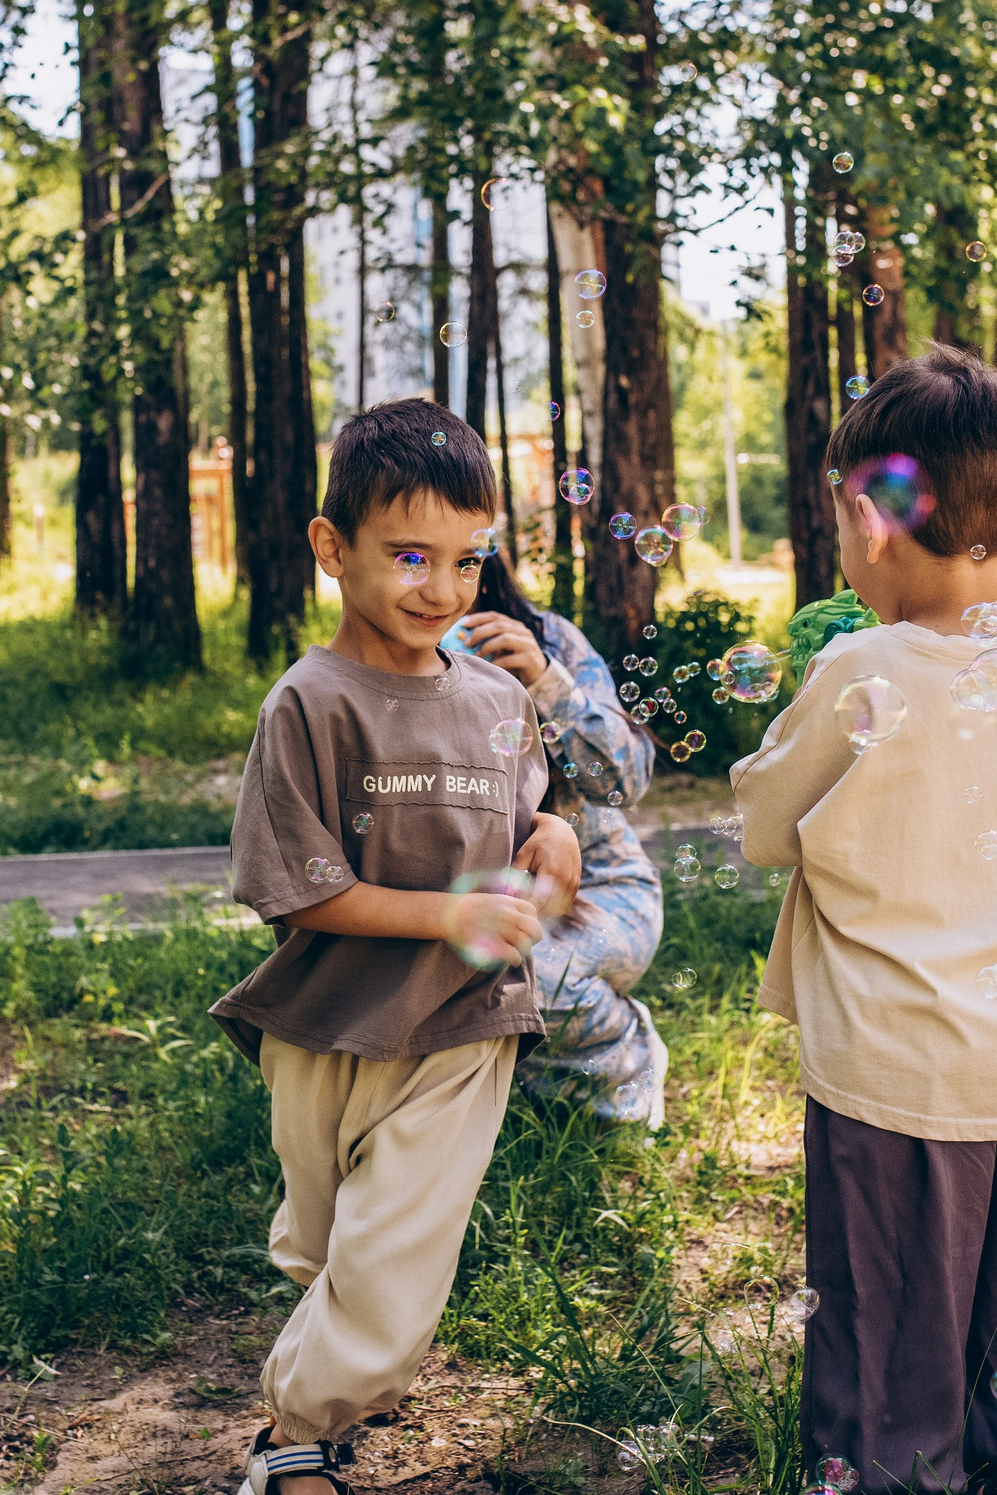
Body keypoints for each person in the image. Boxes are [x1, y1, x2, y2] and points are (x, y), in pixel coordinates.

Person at [731, 348, 997, 1495]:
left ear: (873, 517)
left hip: (888, 1073)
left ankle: (895, 1470)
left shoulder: (858, 664)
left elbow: (763, 826)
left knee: (886, 1310)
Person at [211, 399, 585, 1495]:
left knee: (392, 1261)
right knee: (328, 1246)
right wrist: (442, 912)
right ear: (332, 549)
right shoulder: (309, 705)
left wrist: (551, 847)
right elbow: (299, 891)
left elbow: (530, 827)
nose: (440, 589)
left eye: (467, 561)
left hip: (462, 1023)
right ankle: (339, 1320)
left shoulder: (496, 700)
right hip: (325, 1021)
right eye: (408, 556)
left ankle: (292, 1436)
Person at [455, 550, 669, 1125]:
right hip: (465, 893)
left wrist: (548, 680)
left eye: (460, 557)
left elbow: (628, 781)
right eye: (409, 556)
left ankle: (625, 1059)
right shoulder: (386, 650)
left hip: (598, 889)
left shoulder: (549, 637)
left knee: (525, 977)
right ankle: (510, 1093)